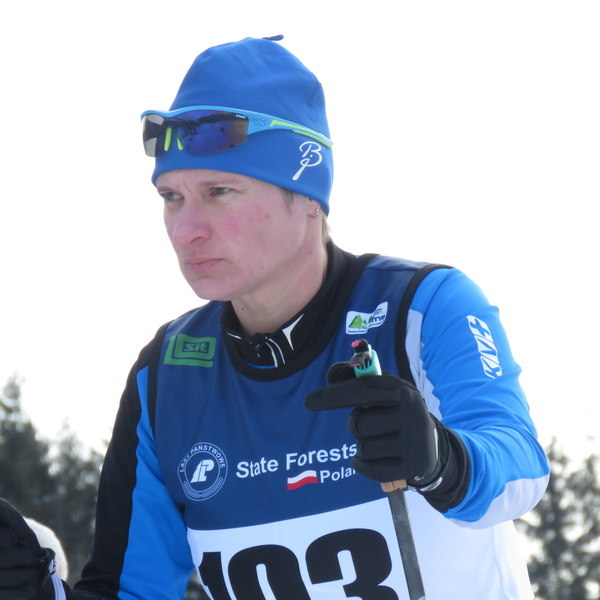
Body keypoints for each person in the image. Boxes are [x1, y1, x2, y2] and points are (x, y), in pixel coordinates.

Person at [0, 35, 549, 599]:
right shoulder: (168, 375)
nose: (186, 230)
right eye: (171, 197)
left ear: (307, 194)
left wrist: (443, 460)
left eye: (219, 191)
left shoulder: (423, 307)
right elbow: (132, 590)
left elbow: (522, 469)